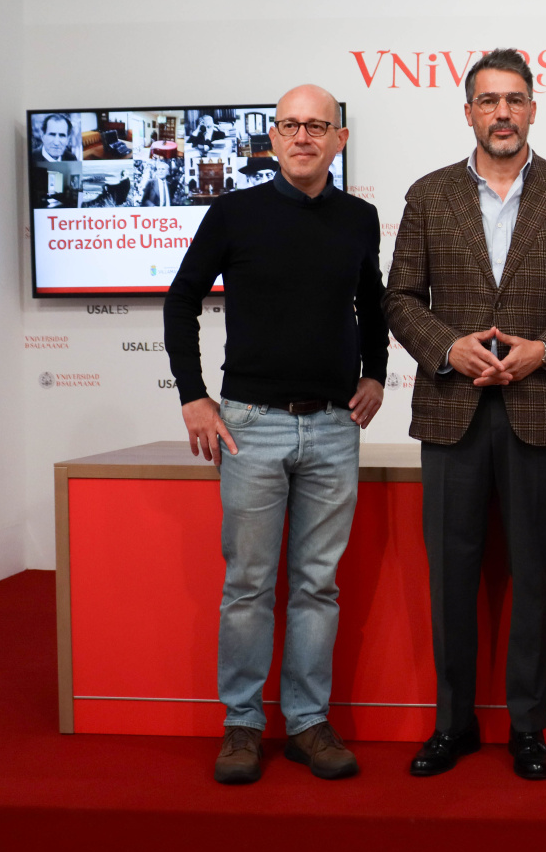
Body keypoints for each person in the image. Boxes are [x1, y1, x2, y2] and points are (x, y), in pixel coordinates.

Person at [384, 49, 546, 781]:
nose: (503, 113)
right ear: (469, 113)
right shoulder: (427, 195)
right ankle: (453, 726)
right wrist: (448, 347)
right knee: (450, 577)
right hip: (451, 411)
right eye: (489, 101)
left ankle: (527, 728)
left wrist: (544, 348)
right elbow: (399, 299)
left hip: (537, 407)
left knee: (533, 577)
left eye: (515, 100)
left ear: (534, 109)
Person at [162, 84, 389, 785]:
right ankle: (241, 725)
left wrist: (376, 373)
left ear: (338, 140)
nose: (303, 136)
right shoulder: (235, 212)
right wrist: (195, 396)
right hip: (250, 426)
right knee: (250, 584)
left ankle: (309, 723)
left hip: (332, 426)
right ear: (272, 136)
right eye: (290, 125)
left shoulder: (360, 217)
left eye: (317, 126)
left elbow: (373, 304)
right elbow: (181, 300)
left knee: (318, 585)